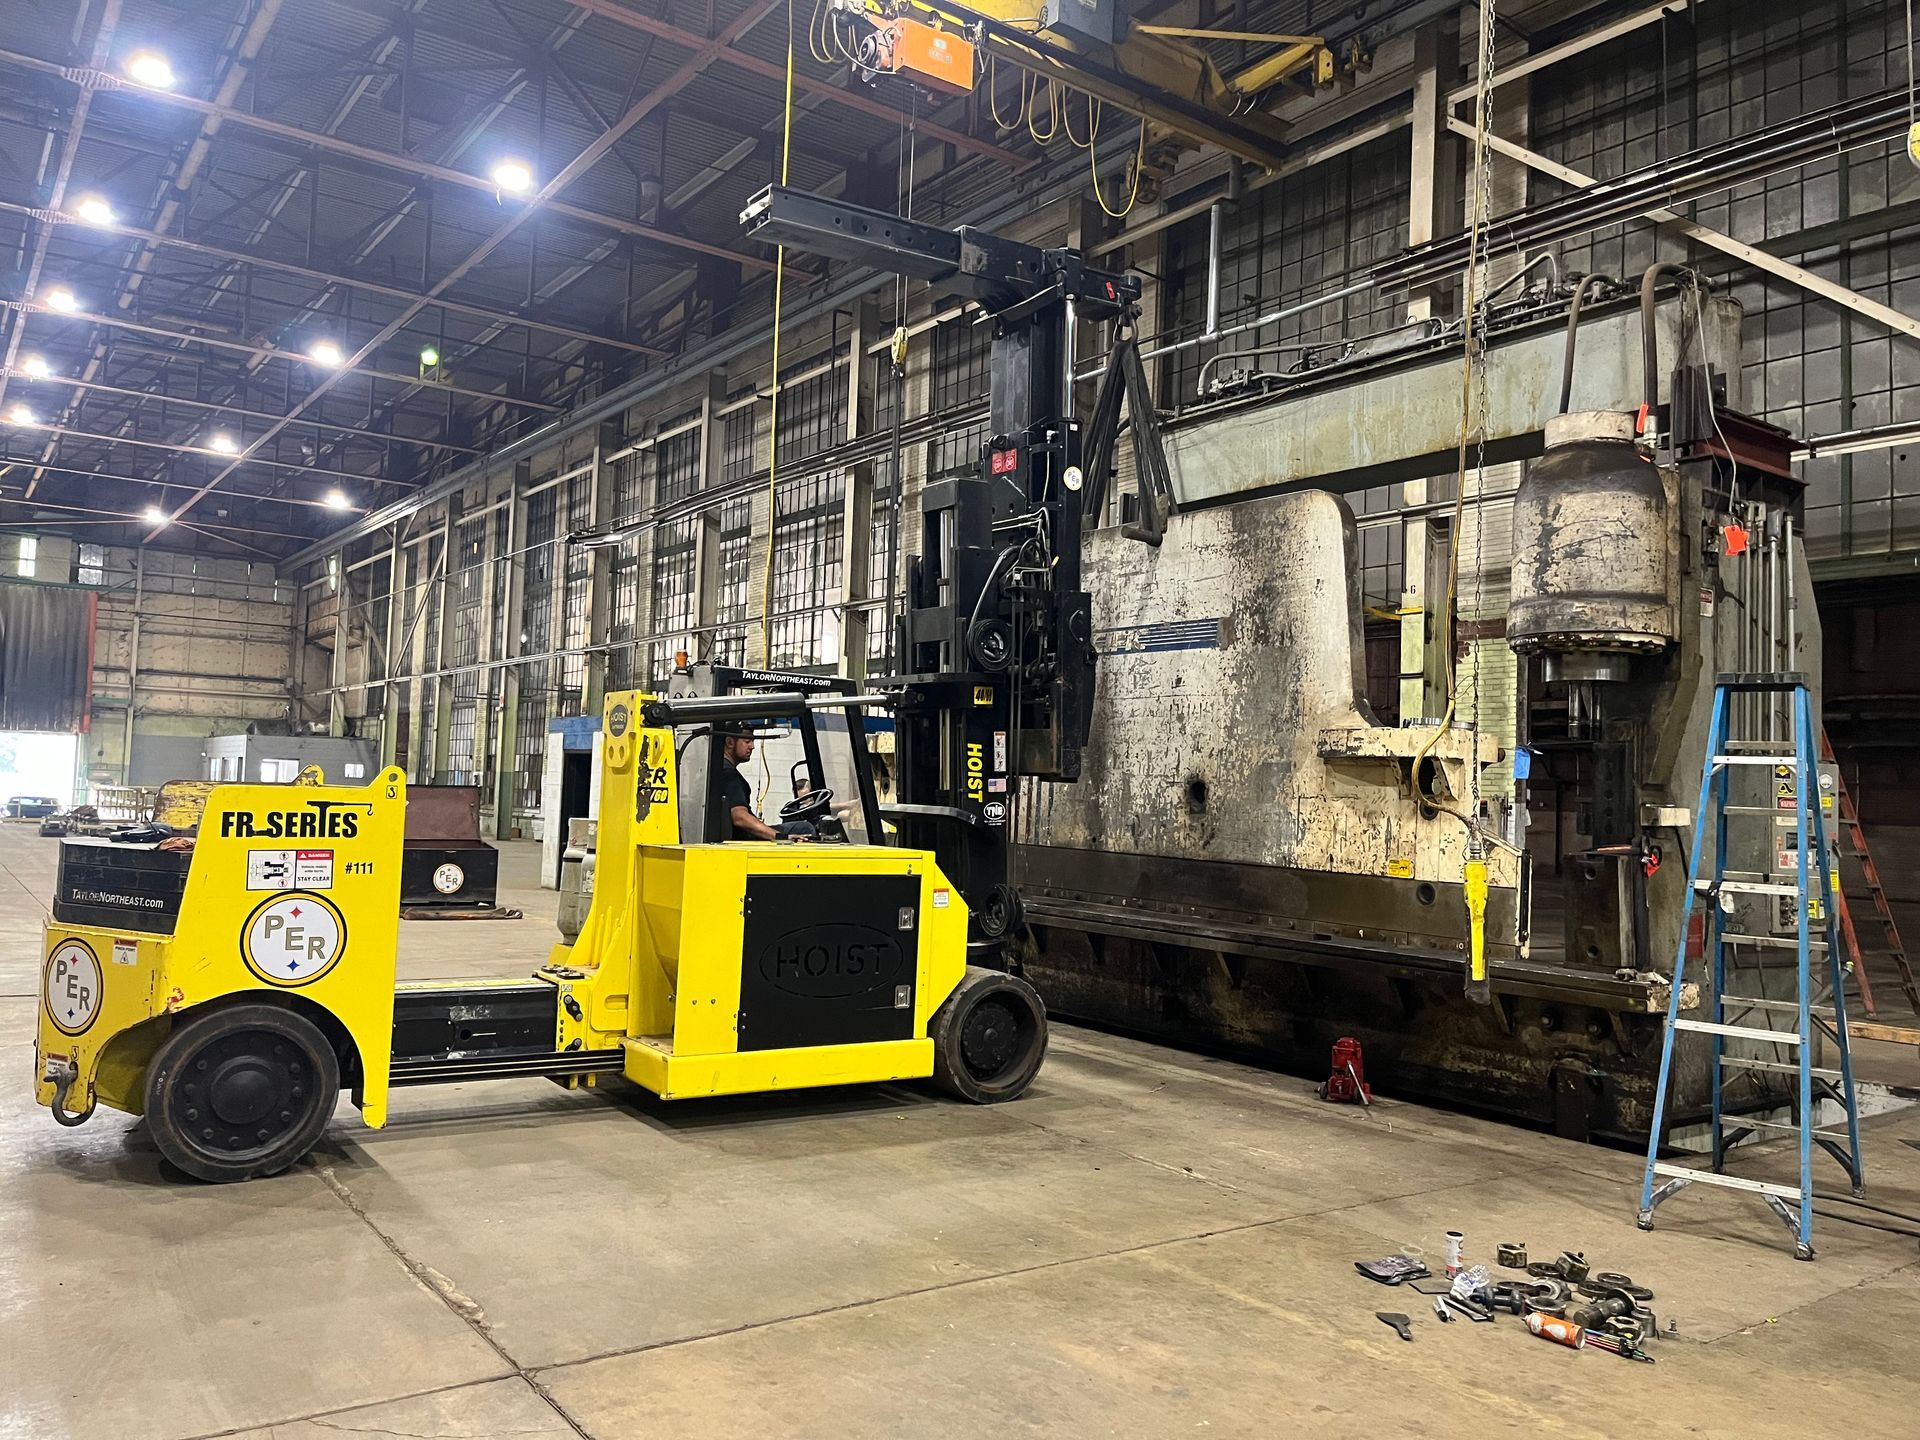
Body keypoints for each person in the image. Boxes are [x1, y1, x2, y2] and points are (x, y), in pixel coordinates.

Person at [718, 725, 780, 841]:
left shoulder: (717, 770)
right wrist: (781, 837)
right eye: (747, 741)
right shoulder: (730, 776)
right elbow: (740, 817)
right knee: (803, 828)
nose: (752, 747)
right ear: (730, 742)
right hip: (743, 839)